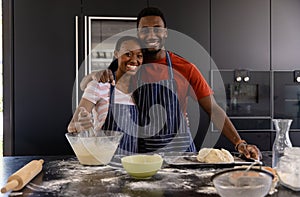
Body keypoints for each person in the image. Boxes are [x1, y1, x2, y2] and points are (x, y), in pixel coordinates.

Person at [80, 7, 262, 160]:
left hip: (181, 154)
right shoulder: (131, 66)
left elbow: (213, 109)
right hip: (144, 155)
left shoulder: (185, 68)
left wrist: (240, 143)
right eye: (145, 29)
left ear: (165, 32)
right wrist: (93, 75)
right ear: (138, 33)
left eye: (157, 28)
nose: (151, 34)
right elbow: (88, 84)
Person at [68, 36, 143, 155]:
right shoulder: (99, 85)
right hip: (102, 163)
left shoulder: (139, 93)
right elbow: (72, 127)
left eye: (139, 56)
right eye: (128, 54)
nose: (134, 60)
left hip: (131, 165)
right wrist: (83, 126)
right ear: (116, 54)